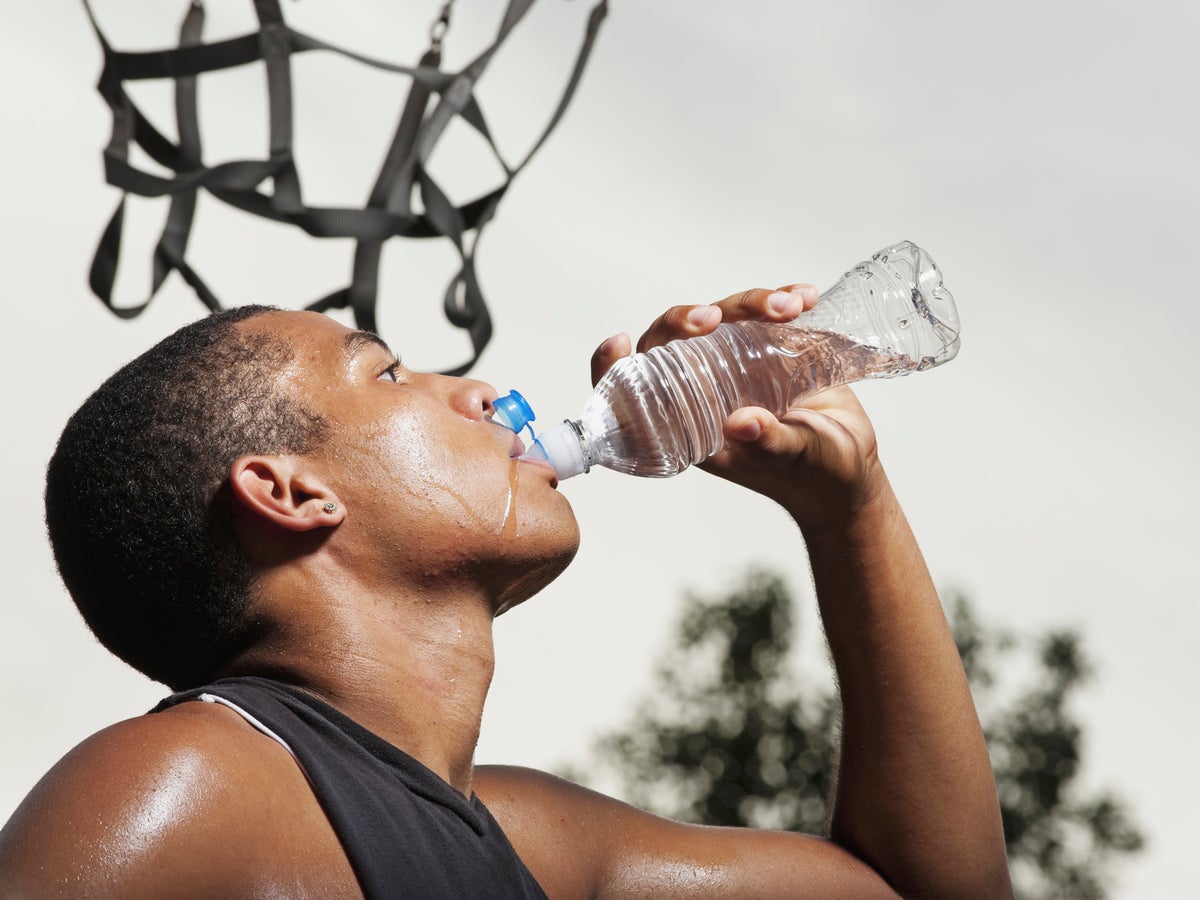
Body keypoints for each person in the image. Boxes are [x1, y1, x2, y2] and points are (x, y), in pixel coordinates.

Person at [0, 286, 1012, 899]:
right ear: (291, 492)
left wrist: (850, 509)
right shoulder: (185, 784)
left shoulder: (537, 844)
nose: (478, 389)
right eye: (390, 375)